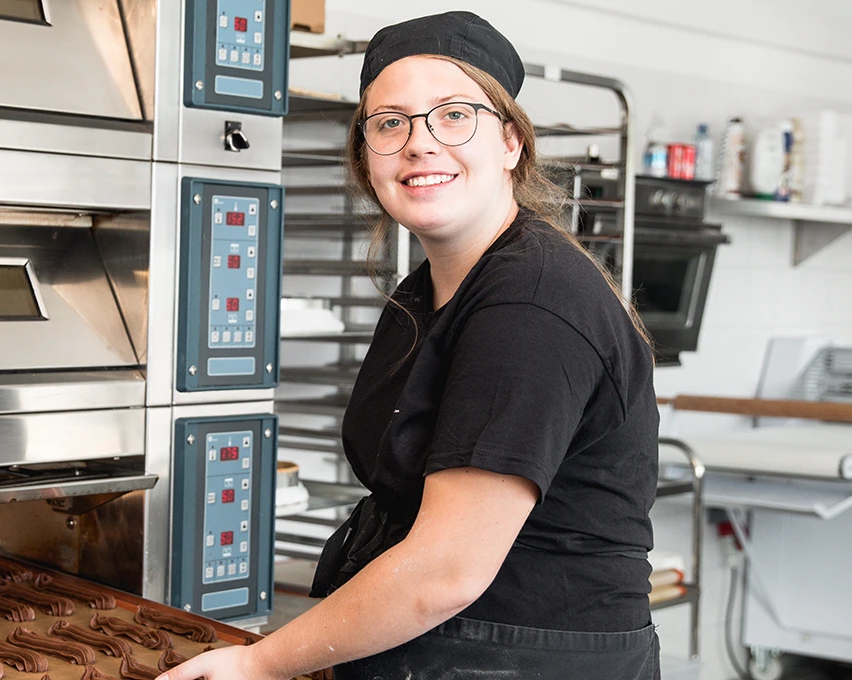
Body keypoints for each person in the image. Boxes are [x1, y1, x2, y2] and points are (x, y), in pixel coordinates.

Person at [158, 11, 661, 680]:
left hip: (526, 659)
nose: (419, 143)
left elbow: (445, 572)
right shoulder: (428, 291)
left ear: (510, 141)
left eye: (454, 115)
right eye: (391, 123)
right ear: (366, 157)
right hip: (450, 652)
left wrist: (263, 663)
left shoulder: (529, 302)